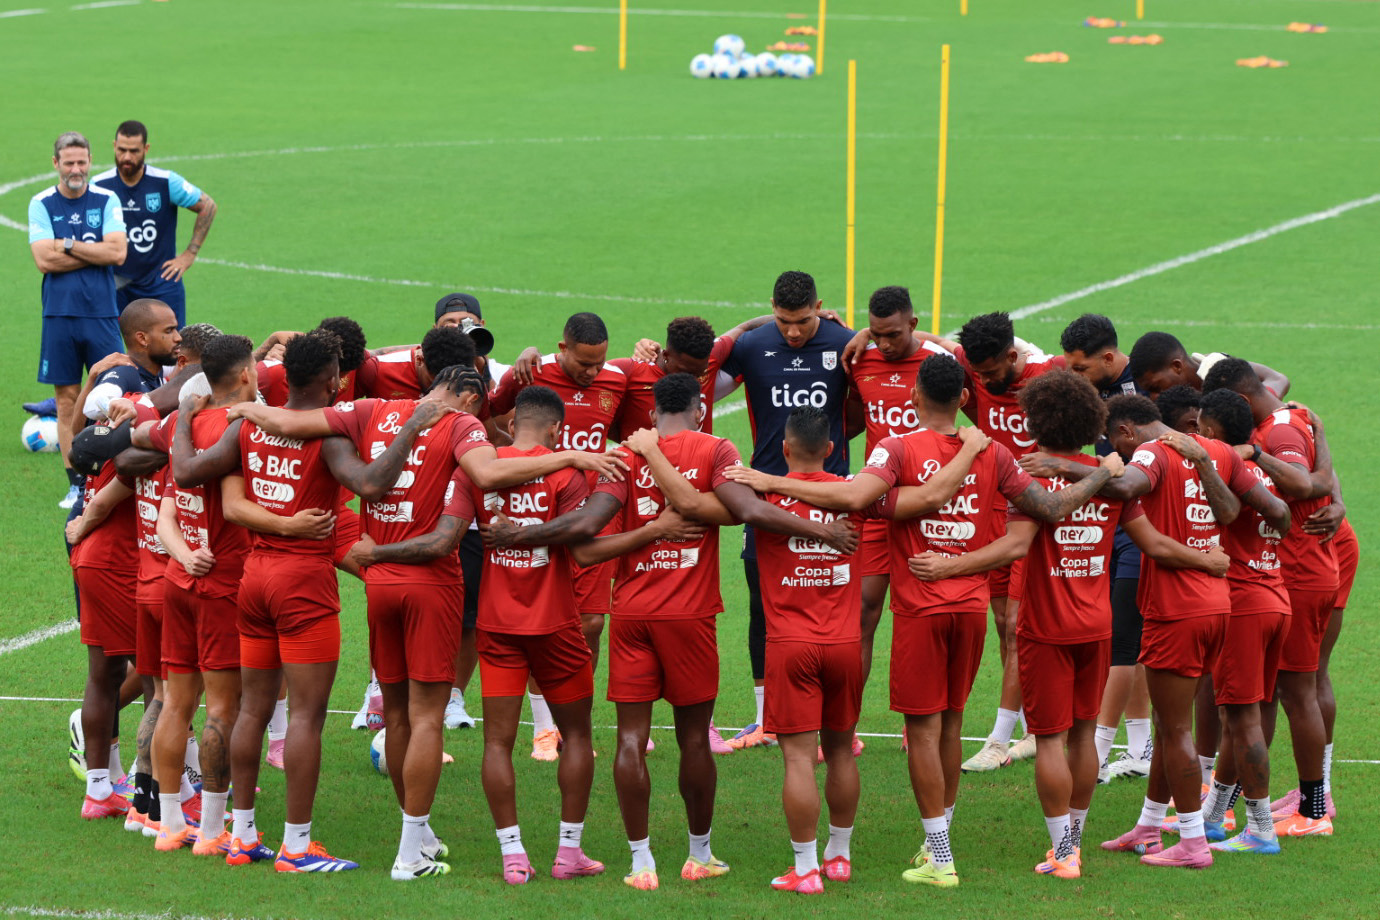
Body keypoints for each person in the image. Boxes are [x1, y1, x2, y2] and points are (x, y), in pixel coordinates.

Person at [727, 355, 1124, 888]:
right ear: (964, 398)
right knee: (954, 724)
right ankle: (956, 842)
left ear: (913, 395)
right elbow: (1048, 511)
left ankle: (940, 853)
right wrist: (1103, 470)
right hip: (970, 609)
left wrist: (766, 478)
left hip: (920, 608)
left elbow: (852, 496)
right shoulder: (994, 451)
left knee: (923, 730)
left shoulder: (897, 448)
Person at [231, 358, 626, 881]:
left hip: (380, 585)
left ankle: (421, 837)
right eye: (479, 406)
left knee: (394, 717)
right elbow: (486, 476)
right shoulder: (460, 425)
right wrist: (570, 456)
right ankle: (409, 853)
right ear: (465, 396)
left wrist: (236, 406)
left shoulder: (372, 410)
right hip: (432, 585)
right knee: (425, 719)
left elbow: (285, 422)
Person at [488, 373, 858, 891]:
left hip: (632, 615)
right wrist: (823, 532)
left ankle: (641, 864)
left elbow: (587, 547)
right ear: (701, 410)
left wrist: (639, 527)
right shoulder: (716, 448)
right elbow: (746, 510)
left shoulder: (626, 456)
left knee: (630, 740)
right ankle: (698, 855)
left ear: (652, 413)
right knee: (693, 742)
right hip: (690, 618)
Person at [1096, 395, 1288, 869]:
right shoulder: (1218, 453)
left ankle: (1192, 842)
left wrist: (1085, 470)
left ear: (1126, 432)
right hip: (1220, 605)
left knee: (1178, 727)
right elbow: (1265, 512)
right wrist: (1205, 464)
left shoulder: (1151, 452)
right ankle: (1148, 823)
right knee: (1169, 722)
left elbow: (1128, 487)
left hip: (1176, 609)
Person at [218, 329, 378, 872]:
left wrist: (280, 523)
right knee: (306, 717)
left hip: (253, 578)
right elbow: (369, 484)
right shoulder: (329, 435)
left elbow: (233, 507)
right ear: (333, 379)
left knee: (253, 710)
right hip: (302, 584)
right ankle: (296, 845)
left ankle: (240, 836)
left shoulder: (250, 424)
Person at [462, 386, 603, 884]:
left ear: (512, 421)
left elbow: (450, 531)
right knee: (577, 735)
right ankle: (568, 854)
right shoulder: (567, 470)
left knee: (497, 743)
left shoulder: (481, 466)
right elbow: (581, 536)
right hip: (555, 625)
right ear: (557, 430)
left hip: (496, 626)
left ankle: (512, 856)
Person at [715, 270, 856, 750]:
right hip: (765, 499)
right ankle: (766, 721)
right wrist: (750, 326)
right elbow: (704, 390)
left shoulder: (846, 343)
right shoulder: (754, 346)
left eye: (803, 320)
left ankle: (837, 728)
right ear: (771, 307)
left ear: (820, 305)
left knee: (835, 607)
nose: (793, 331)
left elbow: (871, 402)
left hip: (830, 499)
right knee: (762, 605)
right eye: (783, 320)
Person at [1202, 358, 1341, 837]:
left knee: (1294, 692)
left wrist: (1255, 457)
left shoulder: (1275, 435)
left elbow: (1305, 484)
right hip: (1295, 572)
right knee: (1261, 698)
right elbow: (1322, 479)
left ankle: (1314, 809)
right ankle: (1226, 807)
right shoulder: (1290, 418)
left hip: (1296, 573)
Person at [135, 334, 259, 854]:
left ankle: (168, 826)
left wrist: (183, 556)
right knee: (222, 711)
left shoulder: (180, 431)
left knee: (174, 704)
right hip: (221, 586)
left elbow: (165, 512)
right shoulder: (245, 430)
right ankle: (211, 830)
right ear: (247, 376)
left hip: (177, 579)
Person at [489, 312, 629, 759]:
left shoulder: (616, 380)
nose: (592, 372)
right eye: (583, 363)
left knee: (590, 623)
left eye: (599, 362)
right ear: (561, 348)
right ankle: (544, 729)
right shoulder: (532, 372)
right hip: (535, 517)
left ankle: (575, 725)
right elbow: (488, 419)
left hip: (590, 520)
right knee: (537, 627)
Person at [751, 407, 872, 894]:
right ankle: (839, 856)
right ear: (830, 449)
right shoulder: (852, 495)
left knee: (799, 761)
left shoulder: (763, 494)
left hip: (790, 644)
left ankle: (805, 869)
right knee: (842, 753)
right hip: (845, 644)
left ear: (784, 449)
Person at [951, 312, 1066, 772]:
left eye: (992, 373)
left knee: (1020, 624)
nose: (985, 382)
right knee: (1004, 623)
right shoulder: (977, 367)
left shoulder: (1049, 374)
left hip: (1034, 516)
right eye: (978, 375)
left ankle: (999, 740)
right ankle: (1034, 727)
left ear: (1012, 357)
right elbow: (935, 340)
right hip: (992, 514)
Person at [846, 286, 949, 738]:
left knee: (921, 617)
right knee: (863, 613)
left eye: (893, 334)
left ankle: (919, 723)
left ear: (913, 322)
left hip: (928, 510)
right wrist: (857, 334)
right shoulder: (860, 359)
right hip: (877, 506)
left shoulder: (939, 364)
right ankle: (845, 725)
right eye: (876, 333)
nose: (884, 344)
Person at [1057, 314, 1153, 783]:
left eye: (1081, 370)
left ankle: (1096, 750)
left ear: (1110, 359)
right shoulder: (1097, 383)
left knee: (1122, 641)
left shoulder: (1146, 386)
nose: (1075, 378)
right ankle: (1140, 747)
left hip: (1140, 528)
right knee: (1128, 644)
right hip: (1108, 527)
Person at [1193, 389, 1289, 854]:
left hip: (1244, 604)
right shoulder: (1261, 475)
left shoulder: (1229, 473)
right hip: (1275, 598)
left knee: (1243, 717)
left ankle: (1260, 829)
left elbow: (1223, 513)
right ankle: (1213, 817)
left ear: (1210, 432)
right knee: (1238, 715)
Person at [28, 131, 128, 507]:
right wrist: (94, 250)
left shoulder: (106, 199)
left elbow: (117, 252)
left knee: (111, 393)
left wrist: (66, 244)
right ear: (56, 163)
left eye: (81, 162)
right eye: (68, 162)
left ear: (90, 161)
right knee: (67, 399)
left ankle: (109, 475)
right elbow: (43, 259)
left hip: (101, 312)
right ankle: (75, 484)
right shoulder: (41, 203)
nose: (76, 169)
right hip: (58, 314)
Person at [93, 120, 217, 325]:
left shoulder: (166, 182)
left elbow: (208, 206)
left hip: (161, 283)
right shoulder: (99, 185)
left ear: (146, 149)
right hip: (116, 283)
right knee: (112, 351)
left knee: (173, 351)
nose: (127, 157)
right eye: (122, 149)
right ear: (114, 146)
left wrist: (189, 255)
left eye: (134, 151)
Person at [1126, 331, 1289, 399]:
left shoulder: (1218, 367)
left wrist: (1247, 405)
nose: (1155, 397)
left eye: (1156, 387)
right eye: (1150, 392)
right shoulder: (1169, 406)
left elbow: (1279, 379)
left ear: (1177, 366)